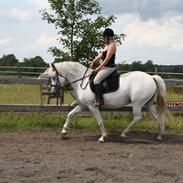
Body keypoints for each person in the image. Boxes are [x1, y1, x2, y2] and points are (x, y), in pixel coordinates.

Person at [90, 28, 116, 106]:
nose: (103, 39)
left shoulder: (112, 46)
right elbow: (100, 55)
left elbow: (107, 59)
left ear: (109, 37)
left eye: (104, 37)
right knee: (91, 76)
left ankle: (100, 101)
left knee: (96, 81)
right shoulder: (107, 46)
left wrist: (99, 68)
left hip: (109, 68)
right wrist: (93, 61)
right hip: (105, 67)